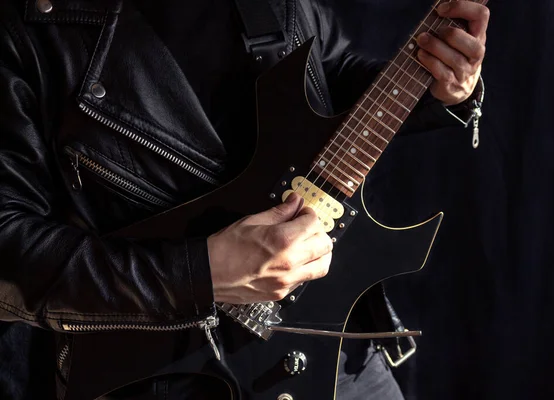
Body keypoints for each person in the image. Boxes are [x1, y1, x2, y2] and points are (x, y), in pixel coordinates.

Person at [0, 0, 489, 398]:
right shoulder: (26, 28)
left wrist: (434, 85)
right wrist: (200, 274)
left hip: (333, 345)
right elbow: (9, 249)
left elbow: (328, 77)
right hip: (164, 372)